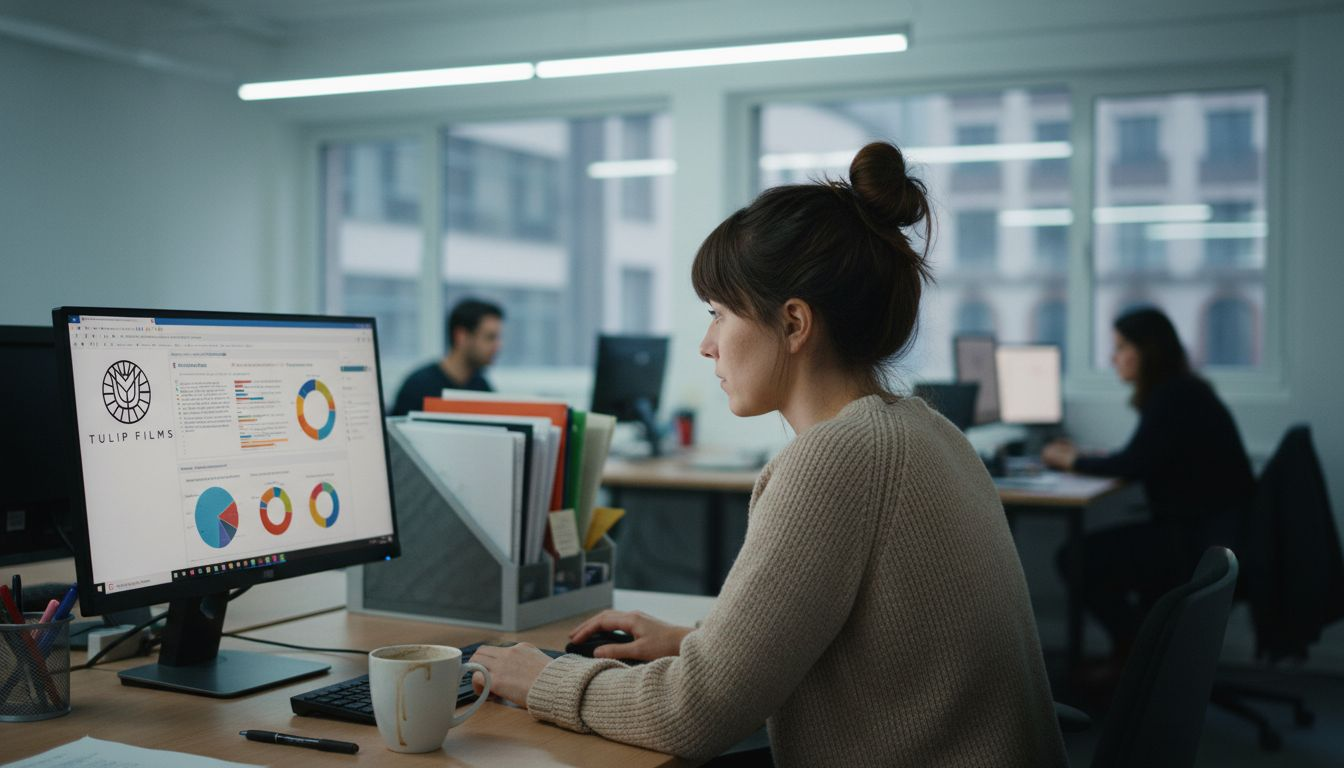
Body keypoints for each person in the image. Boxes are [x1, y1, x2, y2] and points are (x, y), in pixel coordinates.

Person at [470, 142, 1066, 766]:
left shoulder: (839, 458)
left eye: (719, 314)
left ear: (794, 324)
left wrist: (540, 678)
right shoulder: (927, 430)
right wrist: (693, 642)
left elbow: (691, 715)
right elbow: (854, 642)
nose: (707, 345)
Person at [1042, 307, 1253, 671]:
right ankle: (1144, 656)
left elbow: (1133, 465)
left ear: (1148, 351)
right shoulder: (1182, 391)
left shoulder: (1173, 396)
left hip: (1193, 542)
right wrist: (1083, 459)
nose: (1114, 357)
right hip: (1207, 535)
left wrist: (1072, 461)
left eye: (1122, 346)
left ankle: (1141, 657)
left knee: (1076, 559)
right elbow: (1144, 457)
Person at [388, 298, 502, 416]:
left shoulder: (482, 388)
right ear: (461, 336)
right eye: (490, 337)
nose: (498, 345)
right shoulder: (418, 387)